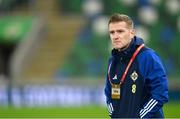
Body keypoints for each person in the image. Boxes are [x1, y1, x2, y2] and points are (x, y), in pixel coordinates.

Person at [104, 13, 169, 118]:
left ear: (132, 33)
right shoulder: (113, 60)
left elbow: (160, 94)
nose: (115, 36)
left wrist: (139, 116)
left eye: (120, 31)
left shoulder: (148, 57)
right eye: (112, 32)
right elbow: (109, 93)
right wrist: (114, 114)